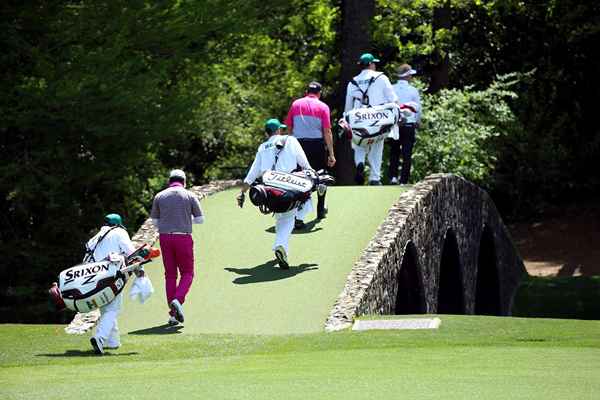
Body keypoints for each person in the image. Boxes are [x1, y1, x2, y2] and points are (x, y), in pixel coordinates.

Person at [236, 118, 312, 269]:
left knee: (281, 218)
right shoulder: (290, 140)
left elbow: (253, 173)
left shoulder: (262, 147)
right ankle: (281, 243)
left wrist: (242, 192)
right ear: (279, 130)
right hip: (288, 186)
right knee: (297, 210)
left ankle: (280, 245)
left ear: (267, 133)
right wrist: (311, 174)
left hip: (268, 190)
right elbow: (303, 163)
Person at [150, 169, 205, 326]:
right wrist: (185, 219)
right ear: (184, 182)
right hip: (183, 237)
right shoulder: (190, 195)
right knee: (187, 273)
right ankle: (177, 300)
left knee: (170, 275)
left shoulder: (160, 196)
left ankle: (173, 315)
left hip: (165, 238)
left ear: (170, 181)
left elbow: (154, 222)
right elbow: (200, 219)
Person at [285, 81, 335, 228]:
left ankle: (298, 215)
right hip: (317, 145)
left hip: (299, 145)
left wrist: (290, 144)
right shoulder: (323, 106)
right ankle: (320, 208)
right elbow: (327, 131)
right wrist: (331, 154)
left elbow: (289, 126)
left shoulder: (296, 104)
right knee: (320, 176)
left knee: (299, 178)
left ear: (307, 91)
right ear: (319, 93)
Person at [344, 53, 398, 185]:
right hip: (377, 117)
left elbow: (348, 105)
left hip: (359, 118)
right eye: (374, 63)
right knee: (377, 147)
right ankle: (375, 178)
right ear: (370, 64)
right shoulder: (381, 77)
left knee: (359, 144)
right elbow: (393, 99)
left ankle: (360, 163)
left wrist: (346, 120)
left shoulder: (353, 81)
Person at [87, 213, 136, 355]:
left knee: (106, 309)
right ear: (117, 224)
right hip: (110, 276)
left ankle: (113, 342)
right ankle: (100, 338)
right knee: (114, 309)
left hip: (92, 279)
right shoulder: (119, 232)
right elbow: (131, 252)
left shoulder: (95, 238)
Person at [389, 63, 422, 184]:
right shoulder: (413, 90)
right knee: (407, 153)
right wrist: (418, 121)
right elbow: (418, 108)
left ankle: (393, 177)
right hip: (409, 124)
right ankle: (403, 180)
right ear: (407, 76)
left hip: (395, 124)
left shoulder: (391, 88)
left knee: (394, 151)